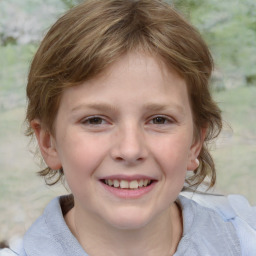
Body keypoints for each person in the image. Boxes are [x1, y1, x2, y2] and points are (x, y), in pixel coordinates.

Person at [1, 0, 255, 255]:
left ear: (194, 143)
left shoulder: (245, 239)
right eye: (95, 120)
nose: (130, 149)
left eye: (159, 120)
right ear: (49, 142)